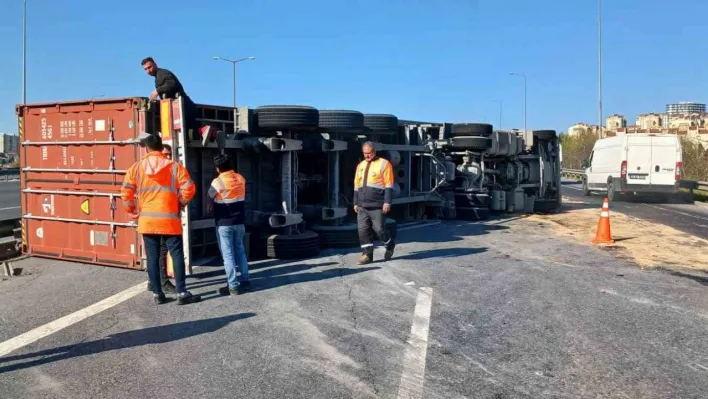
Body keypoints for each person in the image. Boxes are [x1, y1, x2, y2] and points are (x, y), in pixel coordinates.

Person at [122, 133, 201, 305]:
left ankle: (158, 294)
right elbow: (190, 188)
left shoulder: (136, 168)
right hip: (169, 220)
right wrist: (180, 203)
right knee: (177, 255)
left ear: (147, 148)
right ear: (160, 147)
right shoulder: (174, 167)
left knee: (152, 257)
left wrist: (131, 210)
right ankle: (182, 293)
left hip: (147, 220)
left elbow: (126, 191)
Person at [140, 57, 212, 144]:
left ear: (155, 64)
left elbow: (172, 84)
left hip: (183, 106)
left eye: (149, 67)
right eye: (146, 69)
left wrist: (158, 91)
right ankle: (211, 133)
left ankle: (205, 130)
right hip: (183, 107)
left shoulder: (162, 74)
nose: (148, 71)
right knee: (186, 134)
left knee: (183, 133)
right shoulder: (158, 77)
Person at [207, 154, 251, 295]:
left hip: (224, 223)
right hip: (240, 222)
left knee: (228, 255)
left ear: (218, 168)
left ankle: (232, 286)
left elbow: (210, 196)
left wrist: (209, 205)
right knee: (240, 250)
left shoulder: (217, 182)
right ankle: (245, 281)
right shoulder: (240, 178)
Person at [353, 141, 396, 265]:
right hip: (362, 205)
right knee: (363, 230)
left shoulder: (384, 164)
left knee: (379, 230)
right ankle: (367, 255)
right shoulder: (360, 165)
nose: (367, 156)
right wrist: (355, 202)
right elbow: (356, 185)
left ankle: (390, 244)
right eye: (365, 153)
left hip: (377, 204)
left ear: (374, 151)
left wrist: (387, 202)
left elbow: (389, 184)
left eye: (369, 153)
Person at [146, 143, 178, 293]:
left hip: (154, 218)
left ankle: (154, 283)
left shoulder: (167, 170)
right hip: (160, 218)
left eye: (169, 155)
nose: (167, 157)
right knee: (161, 251)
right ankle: (162, 282)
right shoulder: (162, 171)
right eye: (165, 154)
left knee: (157, 252)